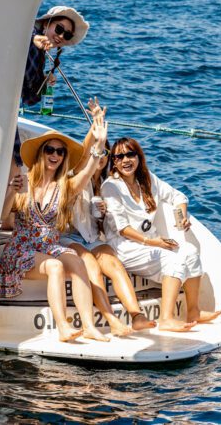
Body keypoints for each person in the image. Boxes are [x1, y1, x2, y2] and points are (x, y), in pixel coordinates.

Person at [0, 113, 110, 343]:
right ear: (41, 153)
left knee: (77, 262)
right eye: (50, 150)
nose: (55, 155)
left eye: (60, 151)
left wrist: (98, 143)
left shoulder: (64, 187)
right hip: (21, 250)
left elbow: (87, 171)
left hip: (48, 247)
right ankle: (63, 327)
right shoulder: (24, 181)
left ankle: (88, 325)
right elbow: (3, 217)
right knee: (56, 267)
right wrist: (10, 191)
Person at [102, 137, 221, 332]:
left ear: (139, 156)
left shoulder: (146, 179)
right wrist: (152, 242)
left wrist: (182, 216)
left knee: (190, 251)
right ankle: (166, 319)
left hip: (151, 242)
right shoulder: (111, 186)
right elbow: (122, 228)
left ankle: (194, 311)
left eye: (130, 154)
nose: (126, 160)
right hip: (125, 245)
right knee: (173, 259)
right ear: (114, 162)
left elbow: (178, 196)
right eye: (119, 156)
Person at [0, 5, 89, 171]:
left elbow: (29, 99)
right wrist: (31, 39)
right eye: (59, 29)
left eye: (66, 35)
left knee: (11, 161)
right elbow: (10, 37)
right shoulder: (29, 36)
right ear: (46, 24)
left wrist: (43, 82)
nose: (60, 36)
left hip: (1, 105)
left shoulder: (41, 57)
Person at [60, 109, 156, 335]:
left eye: (105, 154)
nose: (100, 157)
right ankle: (111, 319)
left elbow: (102, 224)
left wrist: (102, 215)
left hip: (92, 236)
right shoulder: (77, 174)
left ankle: (137, 316)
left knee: (113, 264)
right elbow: (85, 155)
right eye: (98, 153)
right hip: (67, 236)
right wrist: (95, 128)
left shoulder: (106, 183)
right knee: (91, 266)